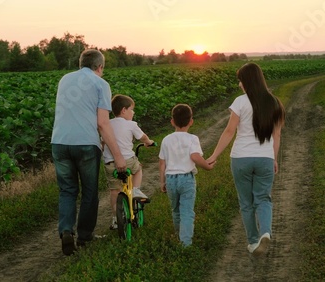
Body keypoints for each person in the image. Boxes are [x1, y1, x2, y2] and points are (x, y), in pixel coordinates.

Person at [51, 49, 126, 256]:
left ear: (80, 64)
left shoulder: (64, 80)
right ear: (100, 67)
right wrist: (118, 156)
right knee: (89, 192)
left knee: (67, 190)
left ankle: (66, 231)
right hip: (85, 144)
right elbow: (103, 123)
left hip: (59, 142)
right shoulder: (101, 84)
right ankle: (84, 236)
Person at [206, 63, 285, 256]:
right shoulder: (274, 102)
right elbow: (277, 136)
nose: (240, 84)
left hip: (241, 158)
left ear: (247, 81)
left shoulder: (240, 102)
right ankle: (265, 232)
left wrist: (214, 155)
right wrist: (273, 159)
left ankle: (252, 241)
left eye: (241, 80)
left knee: (246, 202)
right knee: (263, 198)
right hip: (265, 158)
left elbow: (229, 131)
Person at [159, 104, 215, 247]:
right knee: (187, 211)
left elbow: (162, 163)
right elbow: (195, 157)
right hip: (187, 179)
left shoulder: (166, 139)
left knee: (176, 209)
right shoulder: (192, 139)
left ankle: (179, 235)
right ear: (191, 121)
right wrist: (207, 166)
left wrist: (162, 182)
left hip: (171, 179)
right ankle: (186, 243)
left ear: (172, 121)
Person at [103, 94, 154, 230]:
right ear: (124, 110)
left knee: (114, 191)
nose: (133, 112)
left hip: (110, 163)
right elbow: (143, 137)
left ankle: (115, 218)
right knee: (138, 170)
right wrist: (149, 142)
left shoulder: (106, 124)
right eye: (132, 109)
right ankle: (136, 190)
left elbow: (102, 143)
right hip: (127, 161)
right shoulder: (131, 124)